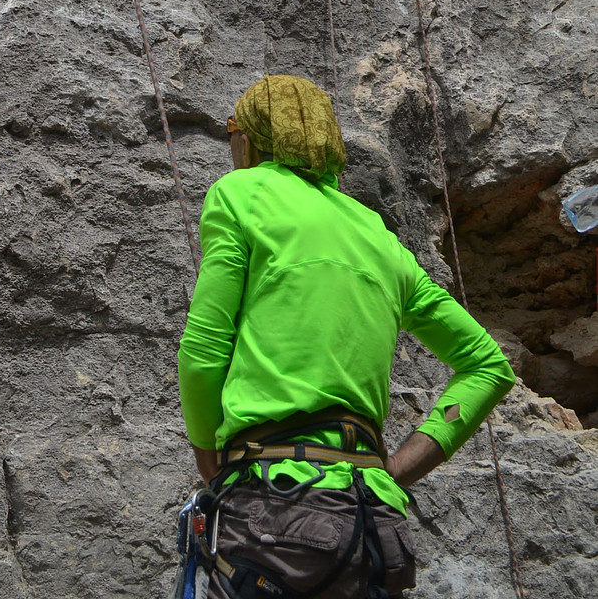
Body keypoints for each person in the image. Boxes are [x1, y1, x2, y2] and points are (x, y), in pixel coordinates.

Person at [177, 74, 516, 598]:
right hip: (373, 523)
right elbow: (488, 366)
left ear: (252, 136)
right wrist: (394, 470)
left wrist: (209, 462)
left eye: (232, 131)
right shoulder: (379, 237)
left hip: (274, 507)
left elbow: (203, 351)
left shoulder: (240, 193)